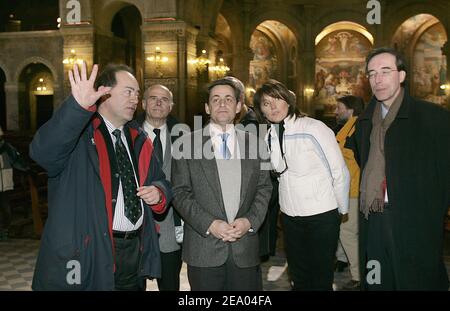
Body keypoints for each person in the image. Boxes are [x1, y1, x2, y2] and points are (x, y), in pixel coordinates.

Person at [30, 63, 172, 290]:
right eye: (128, 92)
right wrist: (77, 108)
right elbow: (42, 152)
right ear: (105, 92)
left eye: (137, 93)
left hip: (133, 249)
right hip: (89, 249)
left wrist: (158, 192)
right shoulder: (80, 135)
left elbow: (161, 180)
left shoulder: (138, 138)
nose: (135, 99)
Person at [347, 47, 450, 290]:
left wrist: (433, 212)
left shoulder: (433, 118)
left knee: (415, 280)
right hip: (373, 215)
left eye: (385, 71)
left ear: (401, 76)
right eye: (372, 74)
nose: (378, 80)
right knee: (378, 280)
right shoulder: (364, 123)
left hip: (417, 220)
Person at [171, 78, 272, 291]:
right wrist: (210, 224)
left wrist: (249, 222)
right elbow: (180, 193)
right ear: (207, 107)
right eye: (216, 100)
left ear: (238, 106)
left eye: (228, 99)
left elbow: (264, 188)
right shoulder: (185, 144)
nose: (222, 104)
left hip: (244, 248)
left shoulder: (255, 143)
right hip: (203, 249)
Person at [253, 79, 350, 291]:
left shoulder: (313, 127)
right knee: (298, 274)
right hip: (290, 215)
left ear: (288, 100)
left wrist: (340, 210)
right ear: (261, 110)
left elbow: (339, 170)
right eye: (266, 104)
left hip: (322, 214)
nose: (273, 107)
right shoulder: (270, 134)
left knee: (320, 275)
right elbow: (279, 173)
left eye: (277, 100)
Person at [225, 75, 279, 261]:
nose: (224, 105)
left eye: (229, 98)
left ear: (240, 101)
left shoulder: (252, 123)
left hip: (254, 191)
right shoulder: (239, 121)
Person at [140, 84, 183, 290]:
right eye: (153, 98)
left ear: (171, 106)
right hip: (135, 227)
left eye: (164, 99)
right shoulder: (126, 134)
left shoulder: (186, 137)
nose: (158, 102)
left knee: (170, 285)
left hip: (170, 226)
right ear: (143, 103)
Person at [334, 95, 365, 290]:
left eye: (339, 108)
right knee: (343, 229)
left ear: (350, 109)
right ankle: (342, 258)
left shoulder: (358, 128)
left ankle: (358, 275)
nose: (336, 112)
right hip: (345, 188)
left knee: (347, 232)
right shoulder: (349, 127)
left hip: (353, 189)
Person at [0, 127, 30, 240]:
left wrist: (27, 168)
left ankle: (4, 230)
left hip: (4, 182)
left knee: (6, 208)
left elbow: (17, 159)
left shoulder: (6, 148)